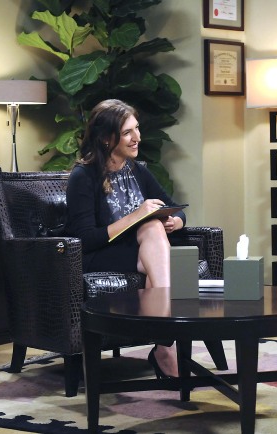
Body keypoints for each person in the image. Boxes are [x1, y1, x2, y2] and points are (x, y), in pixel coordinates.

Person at [65, 99, 184, 380]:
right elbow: (84, 239)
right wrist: (137, 216)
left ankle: (164, 343)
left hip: (138, 250)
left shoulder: (137, 170)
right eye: (128, 132)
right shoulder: (83, 176)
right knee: (150, 228)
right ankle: (166, 343)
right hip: (99, 255)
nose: (137, 137)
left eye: (137, 129)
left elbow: (174, 208)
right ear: (106, 139)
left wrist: (176, 221)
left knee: (154, 228)